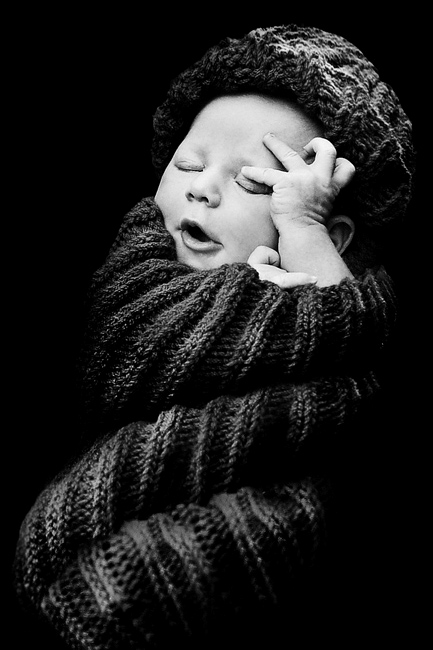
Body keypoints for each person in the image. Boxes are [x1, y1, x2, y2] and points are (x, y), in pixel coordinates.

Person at [13, 23, 414, 649]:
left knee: (211, 554)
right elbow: (116, 354)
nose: (202, 187)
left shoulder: (304, 286)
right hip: (132, 473)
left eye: (253, 184)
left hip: (256, 477)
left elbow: (344, 332)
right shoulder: (136, 272)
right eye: (189, 164)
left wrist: (299, 236)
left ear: (328, 236)